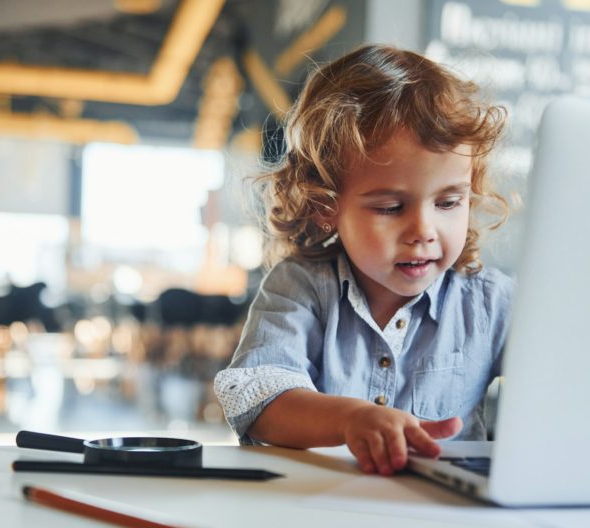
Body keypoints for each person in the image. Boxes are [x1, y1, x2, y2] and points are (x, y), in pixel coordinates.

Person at [214, 45, 512, 476]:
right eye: (391, 208)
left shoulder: (490, 302)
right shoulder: (299, 287)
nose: (423, 230)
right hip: (322, 512)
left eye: (448, 202)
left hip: (449, 524)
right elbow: (259, 399)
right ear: (325, 204)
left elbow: (572, 381)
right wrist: (351, 419)